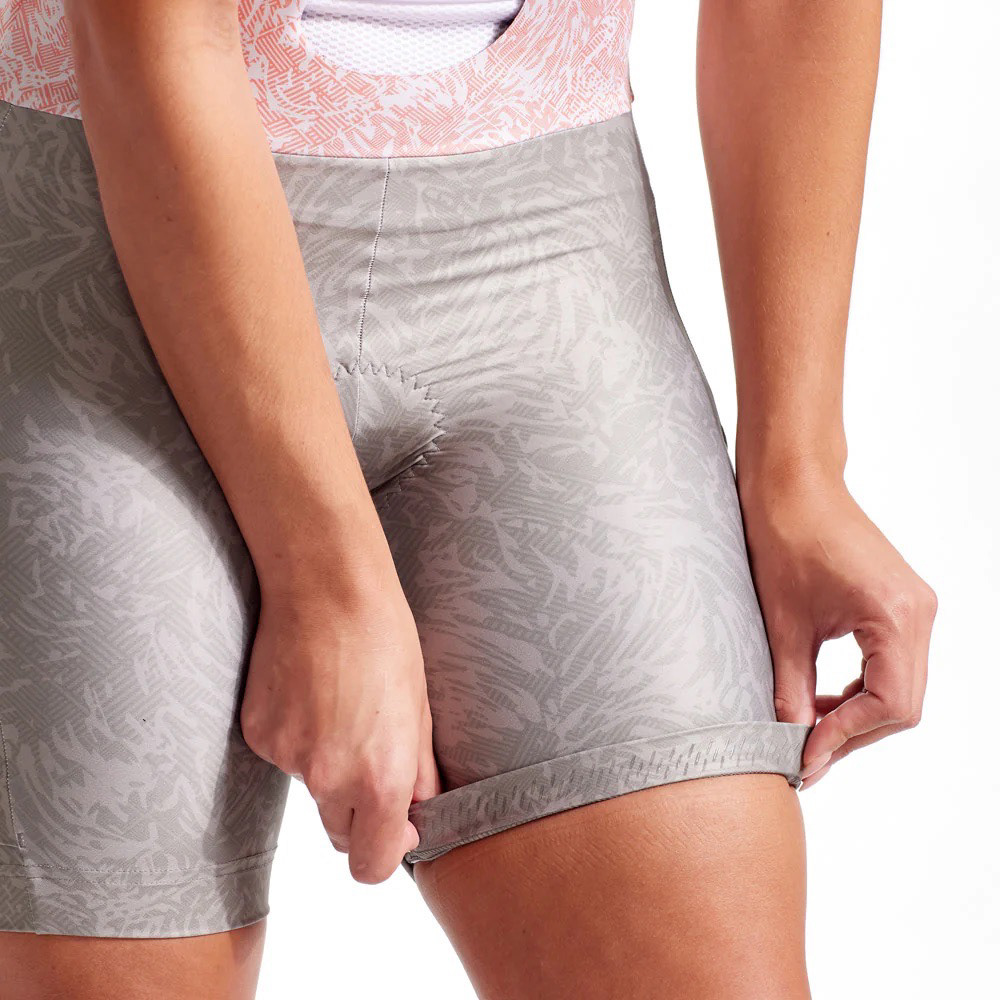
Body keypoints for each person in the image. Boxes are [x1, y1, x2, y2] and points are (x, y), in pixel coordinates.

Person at [0, 1, 936, 997]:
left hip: (552, 281)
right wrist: (328, 582)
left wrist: (798, 469)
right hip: (102, 269)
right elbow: (153, 36)